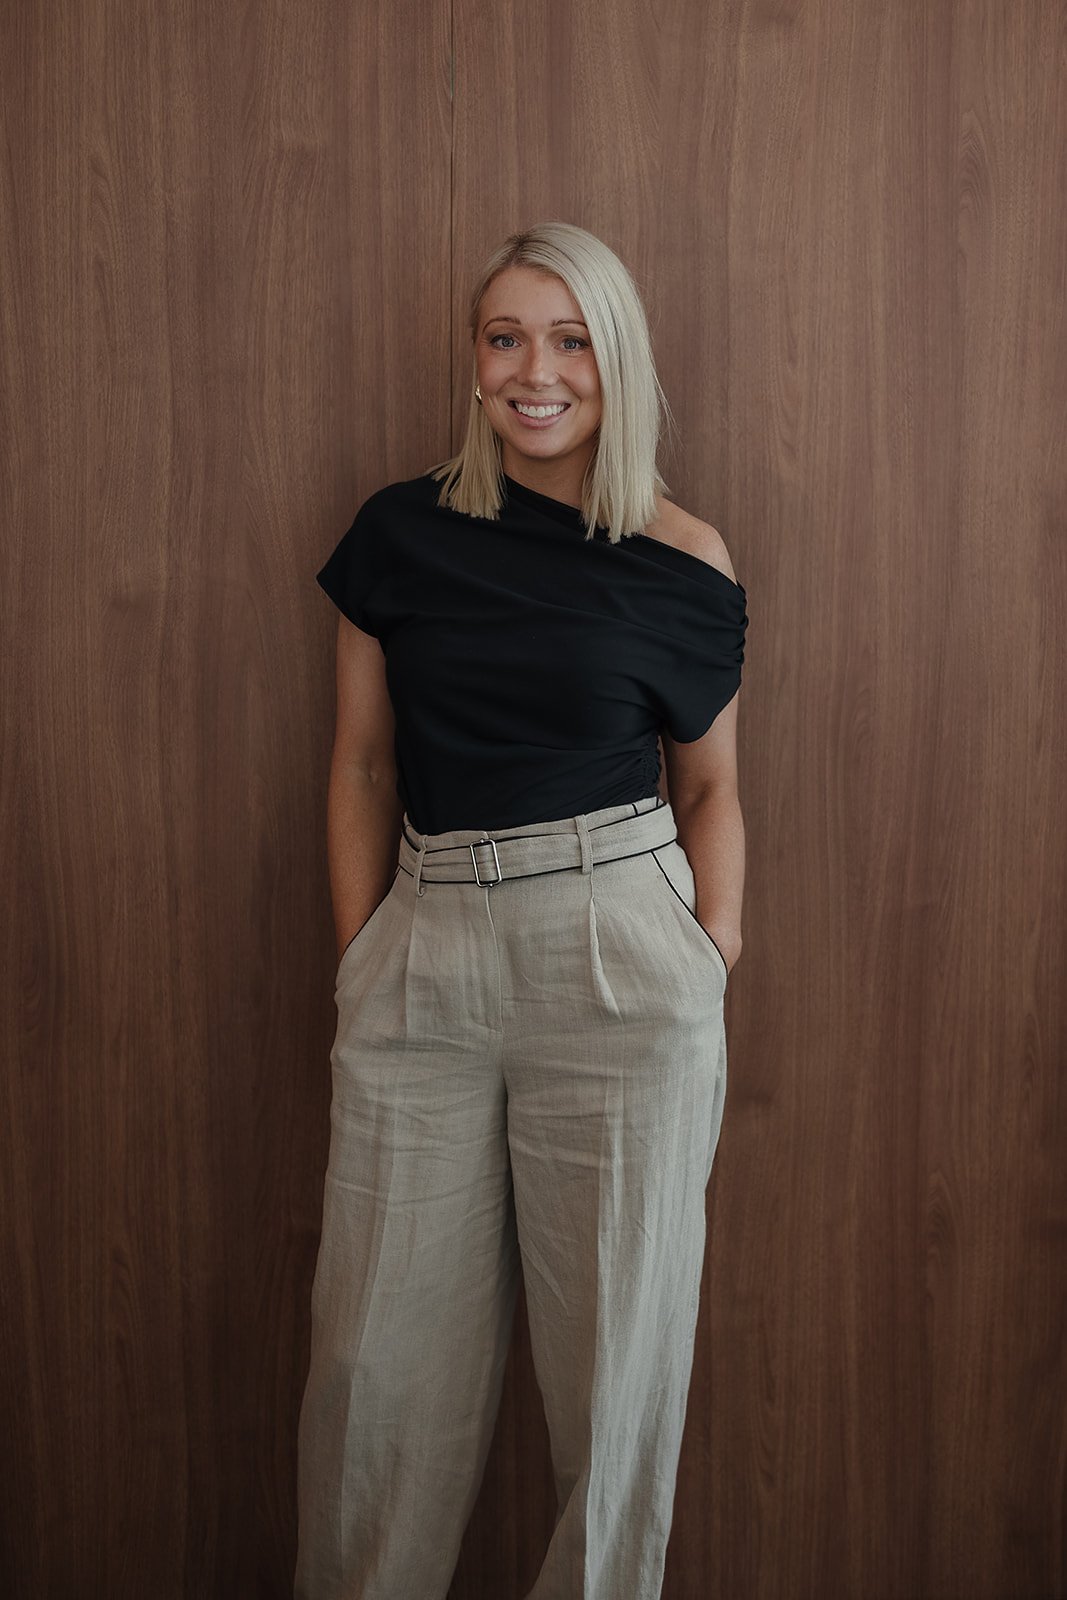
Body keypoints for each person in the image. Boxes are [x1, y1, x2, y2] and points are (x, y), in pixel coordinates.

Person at [294, 220, 749, 1600]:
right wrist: (366, 954)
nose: (535, 371)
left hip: (619, 955)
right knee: (375, 1374)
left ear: (618, 361)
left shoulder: (684, 556)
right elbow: (363, 763)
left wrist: (708, 954)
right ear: (476, 362)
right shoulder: (399, 533)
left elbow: (714, 788)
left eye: (570, 340)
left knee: (616, 1383)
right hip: (425, 954)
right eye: (506, 337)